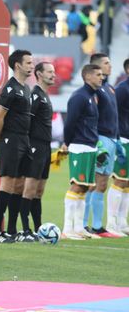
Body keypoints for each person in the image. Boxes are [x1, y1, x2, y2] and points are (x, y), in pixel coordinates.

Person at [0, 49, 34, 243]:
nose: (32, 66)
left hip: (24, 140)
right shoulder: (10, 89)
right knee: (7, 184)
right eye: (28, 63)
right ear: (18, 65)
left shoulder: (25, 88)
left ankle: (11, 229)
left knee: (19, 185)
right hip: (10, 140)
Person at [62, 64, 104, 240]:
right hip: (79, 146)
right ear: (87, 77)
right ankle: (67, 229)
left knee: (85, 187)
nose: (101, 77)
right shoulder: (79, 96)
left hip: (90, 146)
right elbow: (70, 123)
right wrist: (67, 143)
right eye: (98, 74)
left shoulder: (91, 96)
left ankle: (78, 227)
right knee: (76, 185)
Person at [84, 53, 123, 237]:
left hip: (112, 139)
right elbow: (92, 117)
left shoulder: (110, 88)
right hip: (101, 140)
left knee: (102, 184)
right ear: (96, 67)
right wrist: (98, 141)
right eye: (107, 63)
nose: (110, 66)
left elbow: (113, 116)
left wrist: (116, 139)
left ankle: (97, 226)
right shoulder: (96, 91)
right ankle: (86, 225)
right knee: (94, 183)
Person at [28, 62, 57, 234]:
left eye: (54, 72)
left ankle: (38, 227)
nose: (54, 75)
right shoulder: (35, 95)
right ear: (39, 74)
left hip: (46, 147)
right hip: (35, 146)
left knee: (39, 191)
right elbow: (28, 122)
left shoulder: (45, 95)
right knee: (30, 189)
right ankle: (25, 228)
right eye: (50, 72)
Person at [108, 72, 129, 234]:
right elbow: (113, 114)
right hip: (123, 139)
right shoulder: (122, 89)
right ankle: (111, 222)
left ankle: (122, 222)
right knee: (120, 181)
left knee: (127, 183)